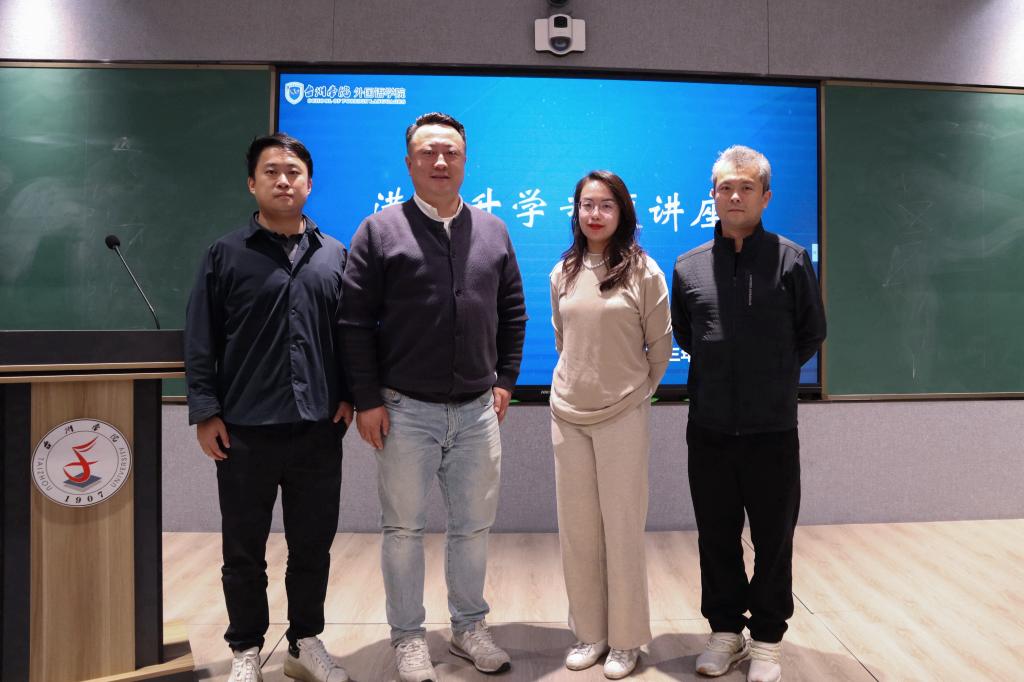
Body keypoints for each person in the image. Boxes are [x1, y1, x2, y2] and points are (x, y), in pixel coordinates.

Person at [340, 112, 527, 682]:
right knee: (403, 530)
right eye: (428, 152)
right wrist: (367, 399)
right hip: (404, 411)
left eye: (451, 152)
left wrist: (504, 380)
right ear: (409, 163)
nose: (440, 161)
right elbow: (353, 322)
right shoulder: (379, 230)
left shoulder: (492, 229)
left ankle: (469, 628)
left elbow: (513, 312)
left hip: (476, 412)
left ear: (465, 161)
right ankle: (408, 637)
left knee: (473, 527)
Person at [185, 133, 352, 682]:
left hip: (317, 428)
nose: (284, 181)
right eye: (272, 171)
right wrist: (205, 411)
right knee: (243, 550)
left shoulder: (334, 255)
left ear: (309, 183)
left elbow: (350, 336)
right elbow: (201, 338)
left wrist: (349, 395)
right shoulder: (225, 254)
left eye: (293, 172)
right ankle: (246, 648)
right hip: (243, 429)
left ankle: (304, 642)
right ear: (252, 183)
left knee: (312, 546)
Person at [671, 146, 826, 682]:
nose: (734, 196)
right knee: (715, 535)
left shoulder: (791, 260)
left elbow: (811, 332)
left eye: (746, 187)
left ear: (765, 196)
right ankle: (724, 631)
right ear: (712, 196)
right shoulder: (689, 266)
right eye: (725, 188)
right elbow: (687, 334)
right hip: (709, 428)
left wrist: (769, 376)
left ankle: (766, 640)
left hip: (772, 430)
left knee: (773, 539)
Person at [549, 171, 672, 679]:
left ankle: (625, 641)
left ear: (622, 212)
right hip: (567, 414)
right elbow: (564, 340)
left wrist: (635, 394)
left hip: (622, 413)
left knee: (622, 530)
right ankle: (590, 634)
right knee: (578, 532)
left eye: (605, 205)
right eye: (586, 204)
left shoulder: (644, 272)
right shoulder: (563, 271)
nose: (594, 214)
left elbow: (660, 347)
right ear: (576, 211)